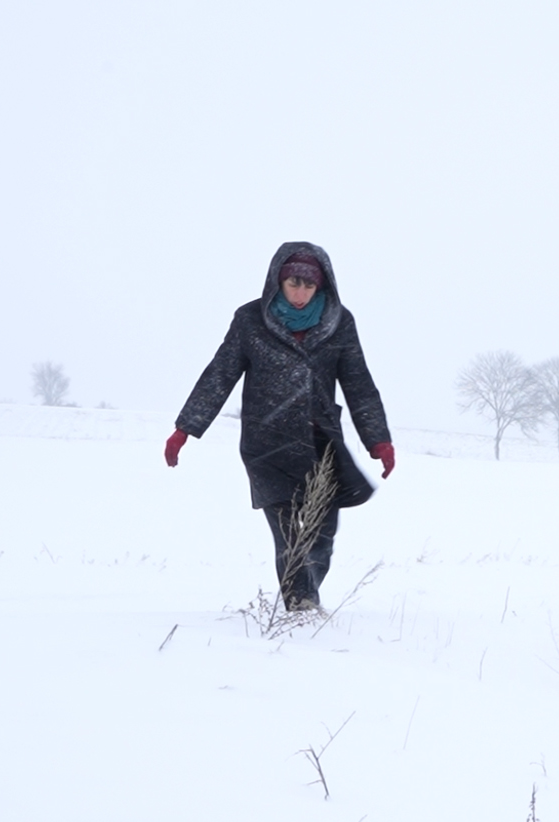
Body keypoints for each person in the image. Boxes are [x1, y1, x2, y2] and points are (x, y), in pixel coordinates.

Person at [164, 241, 395, 610]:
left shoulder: (339, 322)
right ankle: (301, 604)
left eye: (308, 286)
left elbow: (359, 384)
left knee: (322, 536)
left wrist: (378, 440)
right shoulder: (250, 321)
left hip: (321, 443)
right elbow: (219, 375)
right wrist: (185, 429)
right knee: (287, 535)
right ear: (278, 281)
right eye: (293, 284)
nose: (301, 293)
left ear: (321, 286)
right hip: (266, 443)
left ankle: (307, 594)